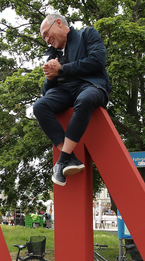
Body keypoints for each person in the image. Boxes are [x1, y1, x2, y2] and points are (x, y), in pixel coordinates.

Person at [33, 13, 111, 187]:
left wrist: (61, 70)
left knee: (85, 99)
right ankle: (70, 158)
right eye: (44, 37)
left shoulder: (88, 34)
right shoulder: (52, 56)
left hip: (91, 85)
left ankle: (61, 161)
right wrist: (50, 76)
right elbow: (46, 92)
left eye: (46, 34)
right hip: (65, 92)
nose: (46, 40)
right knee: (39, 106)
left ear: (59, 23)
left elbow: (97, 61)